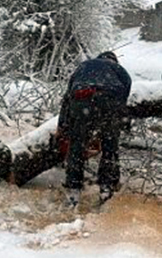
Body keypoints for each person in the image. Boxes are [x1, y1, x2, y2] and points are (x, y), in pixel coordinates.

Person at [57, 51, 132, 207]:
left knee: (77, 145)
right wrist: (123, 124)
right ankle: (106, 188)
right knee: (110, 146)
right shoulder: (120, 70)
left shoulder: (83, 66)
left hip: (82, 99)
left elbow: (67, 99)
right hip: (110, 101)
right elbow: (123, 101)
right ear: (114, 61)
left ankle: (73, 190)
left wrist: (62, 127)